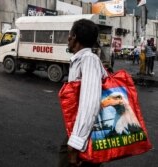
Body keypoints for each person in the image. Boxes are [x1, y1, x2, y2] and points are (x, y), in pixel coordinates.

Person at [58, 19, 107, 167]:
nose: (68, 38)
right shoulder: (81, 60)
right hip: (83, 130)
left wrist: (76, 142)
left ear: (75, 38)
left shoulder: (89, 59)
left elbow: (90, 103)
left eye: (70, 35)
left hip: (86, 133)